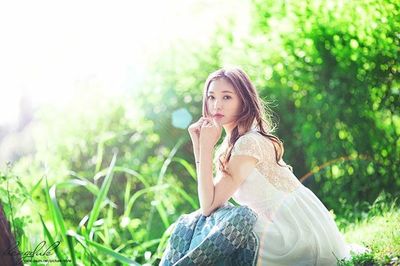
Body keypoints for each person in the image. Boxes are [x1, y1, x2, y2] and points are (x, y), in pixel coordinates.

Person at [185, 66, 368, 265]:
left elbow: (208, 206)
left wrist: (205, 148)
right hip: (285, 225)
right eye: (211, 97)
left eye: (227, 97)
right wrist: (199, 145)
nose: (216, 105)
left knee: (220, 223)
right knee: (208, 223)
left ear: (243, 101)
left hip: (293, 232)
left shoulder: (248, 143)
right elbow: (209, 202)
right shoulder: (234, 142)